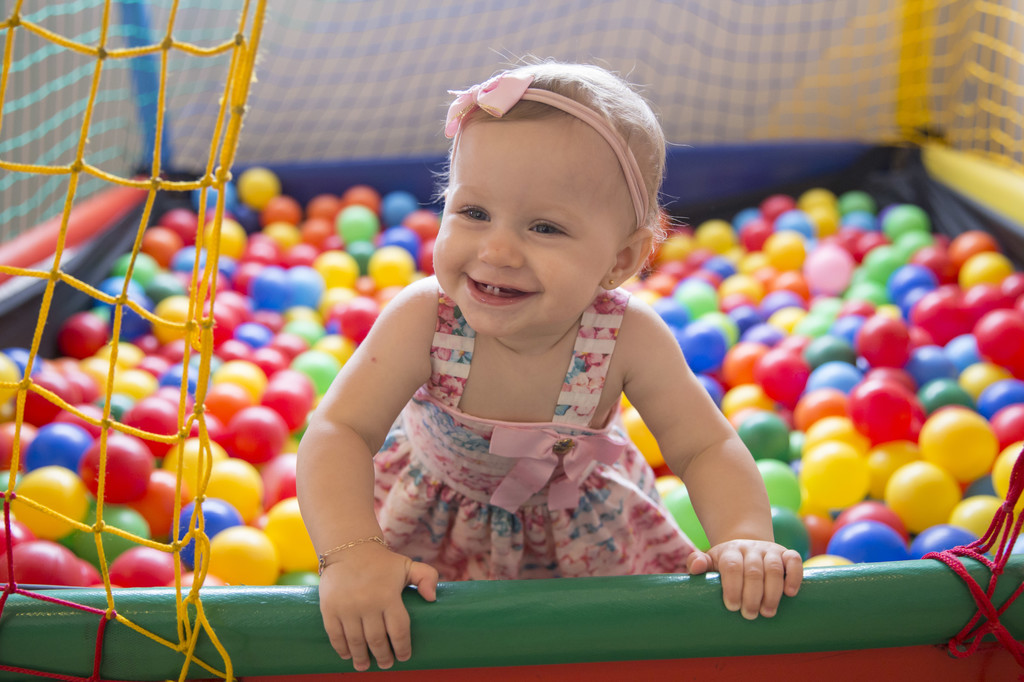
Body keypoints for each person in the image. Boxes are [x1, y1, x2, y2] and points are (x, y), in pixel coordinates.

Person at [297, 60, 803, 672]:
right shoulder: (425, 318)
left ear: (620, 259)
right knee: (414, 647)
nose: (498, 250)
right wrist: (351, 554)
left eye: (545, 227)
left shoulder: (627, 337)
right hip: (432, 521)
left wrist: (744, 536)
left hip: (585, 533)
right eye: (473, 213)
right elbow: (338, 430)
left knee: (609, 655)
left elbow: (704, 447)